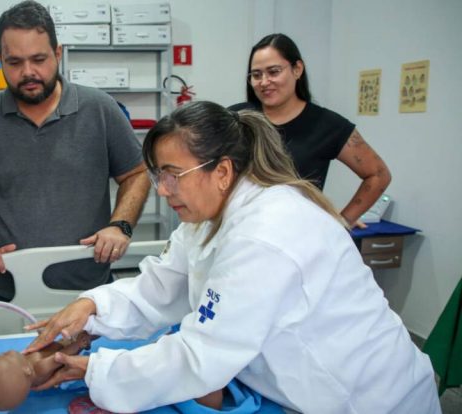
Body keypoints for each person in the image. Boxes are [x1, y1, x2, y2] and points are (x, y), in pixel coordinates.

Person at [23, 101, 440, 413]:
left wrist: (96, 371)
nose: (162, 190)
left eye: (172, 175)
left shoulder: (266, 233)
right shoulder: (207, 216)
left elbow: (202, 356)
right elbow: (160, 287)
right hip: (301, 386)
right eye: (157, 175)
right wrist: (92, 307)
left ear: (222, 171)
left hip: (367, 398)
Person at [0, 0, 150, 301]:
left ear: (57, 53)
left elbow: (137, 173)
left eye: (39, 59)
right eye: (14, 62)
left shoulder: (100, 109)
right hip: (8, 290)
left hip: (89, 288)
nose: (28, 72)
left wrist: (120, 225)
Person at [230, 33, 391, 228]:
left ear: (297, 69)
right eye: (256, 75)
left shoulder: (327, 125)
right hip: (239, 230)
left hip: (299, 234)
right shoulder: (236, 118)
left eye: (273, 72)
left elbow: (379, 174)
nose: (264, 82)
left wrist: (343, 221)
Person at [0, 331, 94, 410]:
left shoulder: (25, 367)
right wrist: (78, 345)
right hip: (68, 349)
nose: (0, 354)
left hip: (61, 346)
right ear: (26, 370)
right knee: (86, 334)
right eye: (5, 357)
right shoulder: (40, 367)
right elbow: (61, 356)